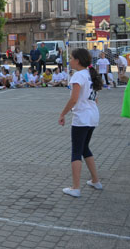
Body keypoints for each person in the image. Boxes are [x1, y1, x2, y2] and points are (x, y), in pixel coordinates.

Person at [59, 48, 103, 198]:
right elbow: (95, 98)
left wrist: (63, 114)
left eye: (71, 58)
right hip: (92, 116)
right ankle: (95, 180)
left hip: (82, 117)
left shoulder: (78, 75)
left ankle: (75, 187)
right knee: (84, 148)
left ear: (77, 60)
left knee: (76, 151)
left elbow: (73, 99)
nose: (70, 60)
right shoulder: (91, 75)